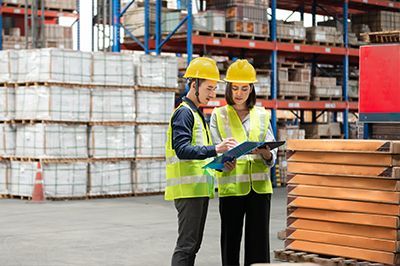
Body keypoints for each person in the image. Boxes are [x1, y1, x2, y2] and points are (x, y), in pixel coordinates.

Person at [165, 57, 237, 266]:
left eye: (214, 89)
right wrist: (216, 148)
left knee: (192, 245)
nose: (212, 94)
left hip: (197, 189)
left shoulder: (197, 114)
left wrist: (221, 164)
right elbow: (182, 150)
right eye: (209, 88)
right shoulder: (184, 114)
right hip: (188, 191)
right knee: (187, 246)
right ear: (194, 84)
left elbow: (199, 157)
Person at [209, 59, 277, 266]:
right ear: (229, 88)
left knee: (259, 244)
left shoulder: (263, 115)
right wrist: (223, 162)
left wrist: (266, 154)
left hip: (259, 190)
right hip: (232, 187)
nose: (239, 93)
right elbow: (214, 152)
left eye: (244, 88)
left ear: (251, 89)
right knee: (230, 243)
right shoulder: (218, 115)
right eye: (235, 88)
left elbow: (272, 153)